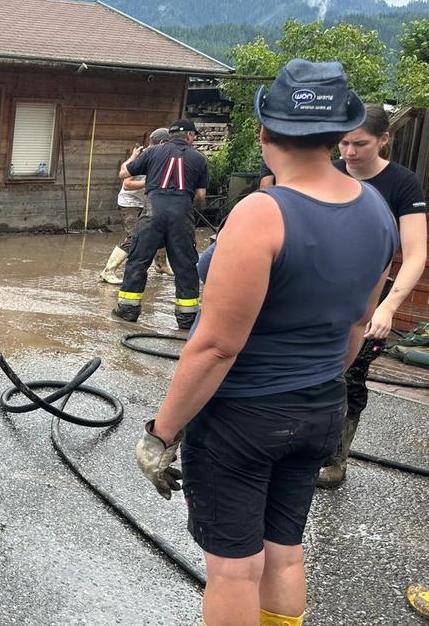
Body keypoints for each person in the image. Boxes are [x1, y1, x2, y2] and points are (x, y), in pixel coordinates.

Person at [134, 59, 397, 626]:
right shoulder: (378, 210)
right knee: (284, 550)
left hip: (244, 419)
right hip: (322, 406)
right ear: (337, 135)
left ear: (262, 131)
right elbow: (358, 323)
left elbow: (215, 347)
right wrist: (319, 382)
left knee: (233, 569)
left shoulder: (261, 213)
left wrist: (162, 431)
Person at [317, 105, 427, 488]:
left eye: (359, 144)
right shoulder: (325, 171)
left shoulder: (401, 183)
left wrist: (389, 306)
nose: (349, 152)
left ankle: (335, 461)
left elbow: (416, 254)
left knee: (348, 378)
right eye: (343, 143)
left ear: (383, 140)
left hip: (367, 302)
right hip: (316, 292)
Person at [113, 119, 208, 329]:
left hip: (152, 212)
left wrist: (134, 156)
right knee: (185, 266)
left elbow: (123, 174)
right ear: (190, 136)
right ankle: (187, 318)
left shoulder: (152, 152)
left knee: (138, 259)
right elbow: (201, 196)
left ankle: (128, 310)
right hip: (181, 215)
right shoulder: (199, 159)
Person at [100, 127, 174, 283]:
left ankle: (161, 264)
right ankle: (108, 271)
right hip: (130, 203)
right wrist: (149, 182)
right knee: (133, 237)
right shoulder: (144, 155)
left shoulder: (164, 157)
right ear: (163, 142)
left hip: (146, 202)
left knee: (161, 231)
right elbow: (127, 184)